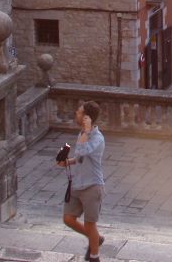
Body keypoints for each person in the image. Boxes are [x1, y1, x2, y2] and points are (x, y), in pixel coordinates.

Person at [58, 101, 105, 262]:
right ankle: (96, 239)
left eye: (79, 112)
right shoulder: (82, 134)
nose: (76, 114)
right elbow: (79, 157)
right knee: (68, 218)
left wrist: (85, 132)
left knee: (90, 224)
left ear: (87, 118)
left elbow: (82, 150)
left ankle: (94, 256)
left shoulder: (97, 138)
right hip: (77, 184)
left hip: (92, 186)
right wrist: (67, 162)